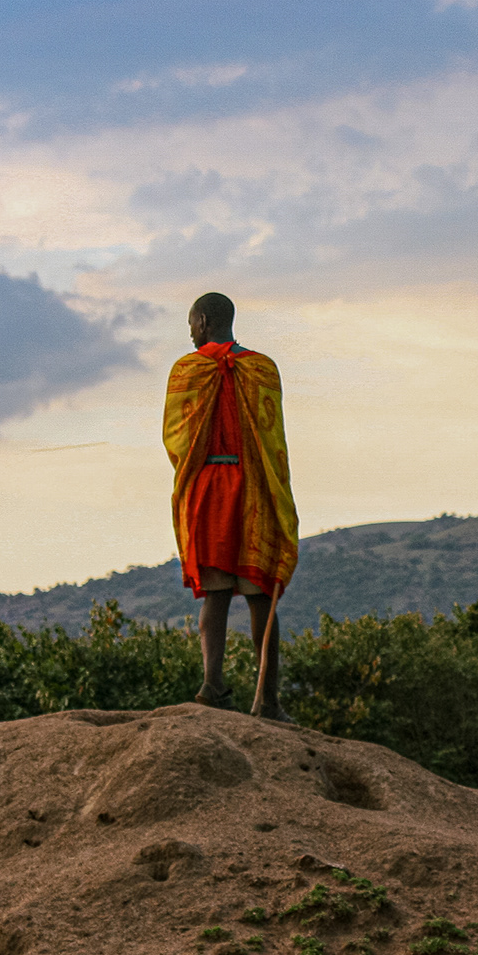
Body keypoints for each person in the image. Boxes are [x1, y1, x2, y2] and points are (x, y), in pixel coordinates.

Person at [162, 292, 298, 720]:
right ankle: (268, 702)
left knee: (217, 594)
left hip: (208, 489)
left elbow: (176, 439)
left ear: (203, 320)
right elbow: (272, 436)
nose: (189, 334)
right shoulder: (262, 369)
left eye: (191, 325)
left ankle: (213, 685)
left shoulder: (187, 369)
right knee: (260, 596)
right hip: (255, 486)